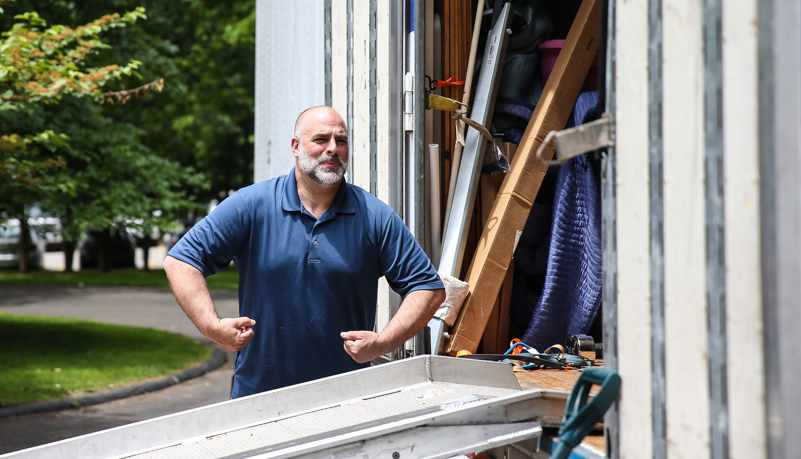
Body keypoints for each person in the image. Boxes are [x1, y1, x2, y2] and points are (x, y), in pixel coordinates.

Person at [164, 106, 445, 398]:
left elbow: (428, 288)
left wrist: (384, 343)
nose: (333, 149)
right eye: (321, 139)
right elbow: (181, 261)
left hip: (347, 400)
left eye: (342, 140)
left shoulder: (374, 217)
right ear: (296, 147)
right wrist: (212, 327)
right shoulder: (252, 205)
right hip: (259, 397)